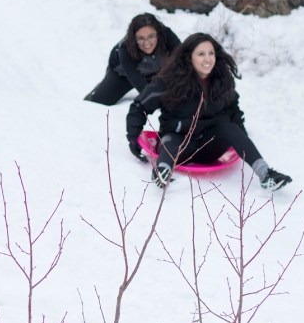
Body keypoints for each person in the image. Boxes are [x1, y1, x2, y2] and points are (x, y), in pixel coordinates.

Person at [126, 33, 292, 191]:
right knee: (170, 139)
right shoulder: (168, 81)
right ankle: (162, 172)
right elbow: (139, 107)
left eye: (211, 53)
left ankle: (266, 175)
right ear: (188, 56)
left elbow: (233, 112)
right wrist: (134, 138)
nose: (207, 59)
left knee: (230, 128)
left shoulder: (221, 81)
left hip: (209, 147)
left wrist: (241, 141)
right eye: (201, 54)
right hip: (179, 144)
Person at [84, 13, 181, 105]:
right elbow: (136, 79)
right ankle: (101, 87)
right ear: (134, 38)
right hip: (125, 75)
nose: (147, 43)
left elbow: (183, 61)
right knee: (100, 100)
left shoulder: (167, 35)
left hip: (158, 71)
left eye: (151, 36)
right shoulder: (125, 47)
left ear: (158, 33)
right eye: (141, 38)